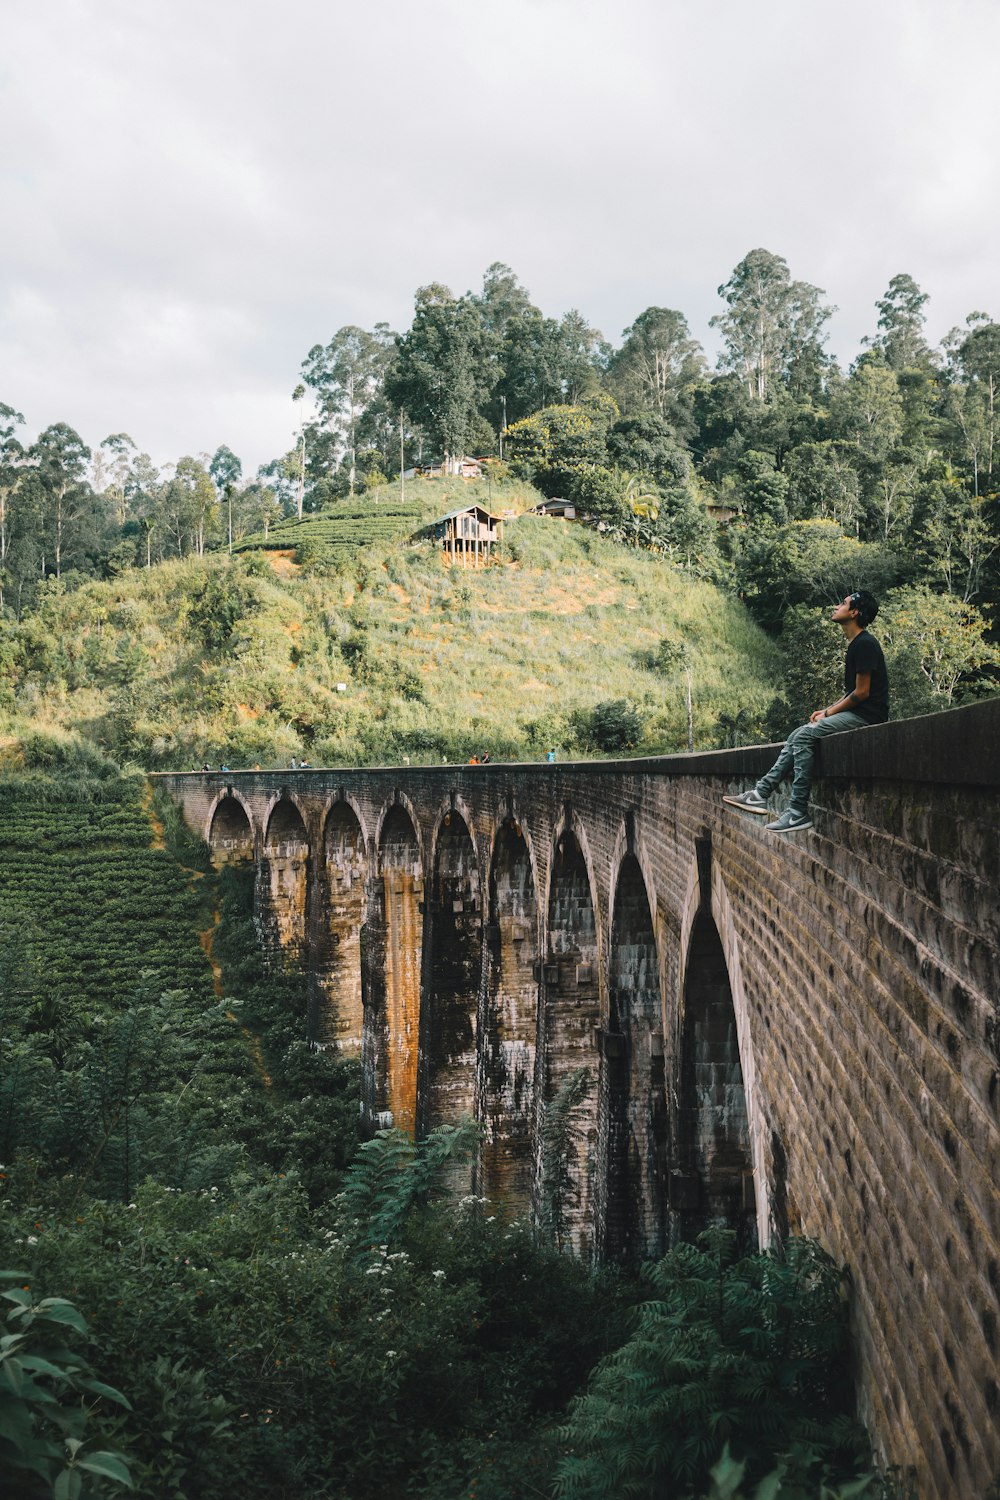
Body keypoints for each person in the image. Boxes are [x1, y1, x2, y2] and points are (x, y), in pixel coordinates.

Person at [724, 590, 889, 833]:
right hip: (859, 713)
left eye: (843, 603)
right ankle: (760, 792)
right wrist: (826, 710)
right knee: (797, 734)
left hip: (867, 717)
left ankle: (797, 811)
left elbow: (862, 693)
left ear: (854, 612)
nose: (836, 606)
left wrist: (830, 712)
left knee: (802, 736)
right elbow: (853, 691)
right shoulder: (856, 644)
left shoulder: (865, 644)